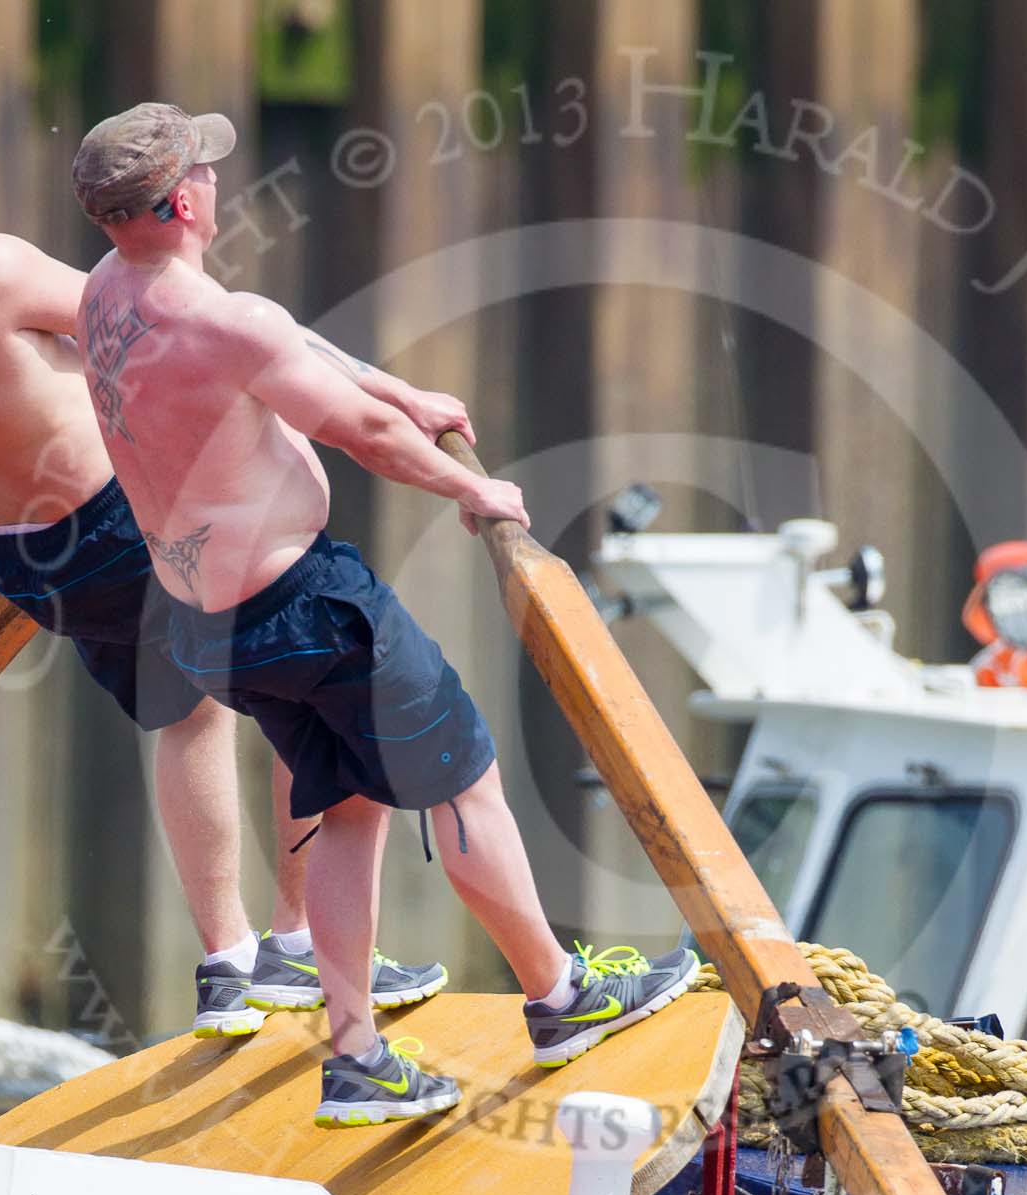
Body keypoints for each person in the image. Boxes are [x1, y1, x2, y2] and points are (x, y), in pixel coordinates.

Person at [0, 81, 445, 1039]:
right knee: (305, 686)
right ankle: (294, 943)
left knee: (187, 717)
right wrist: (387, 390)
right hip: (120, 523)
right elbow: (181, 329)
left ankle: (228, 960)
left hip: (21, 556)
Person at [68, 102, 697, 1128]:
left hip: (206, 627)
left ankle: (355, 1052)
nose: (222, 184)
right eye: (209, 173)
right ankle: (561, 998)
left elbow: (286, 347)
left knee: (349, 806)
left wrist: (402, 390)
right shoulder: (227, 322)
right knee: (463, 782)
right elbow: (352, 432)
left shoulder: (110, 294)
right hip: (307, 606)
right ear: (181, 200)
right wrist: (470, 492)